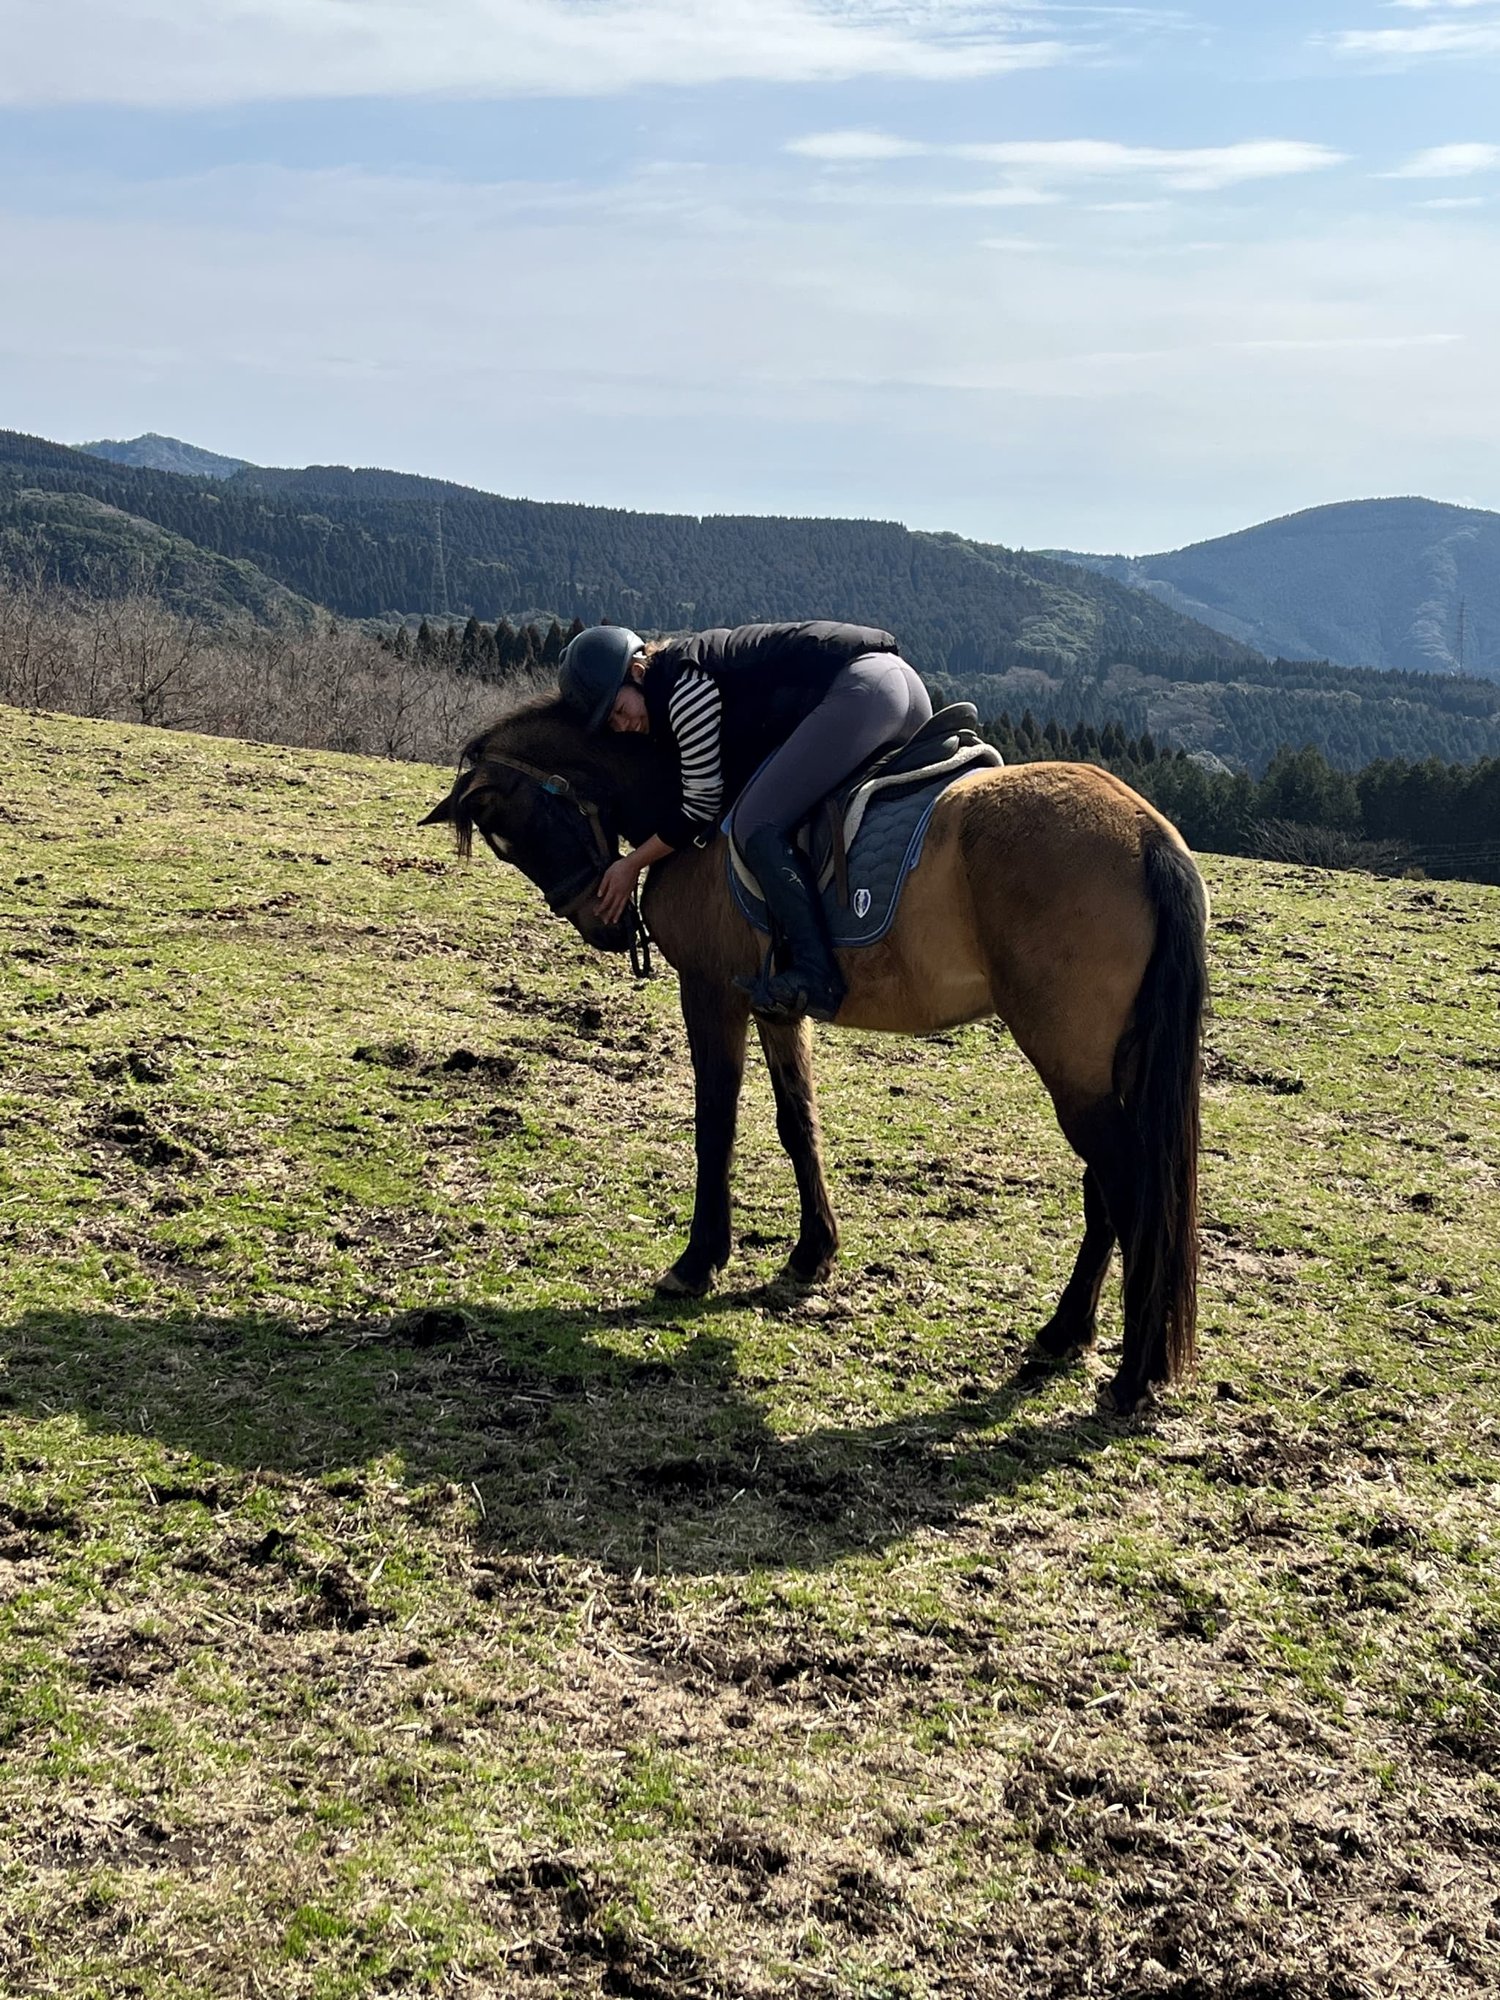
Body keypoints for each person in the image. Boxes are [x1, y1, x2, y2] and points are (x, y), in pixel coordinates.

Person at [557, 620, 933, 1023]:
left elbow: (701, 804)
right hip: (903, 688)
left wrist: (632, 864)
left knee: (754, 823)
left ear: (637, 672)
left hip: (866, 691)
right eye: (612, 724)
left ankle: (816, 974)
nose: (623, 725)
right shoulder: (684, 670)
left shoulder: (683, 692)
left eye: (619, 710)